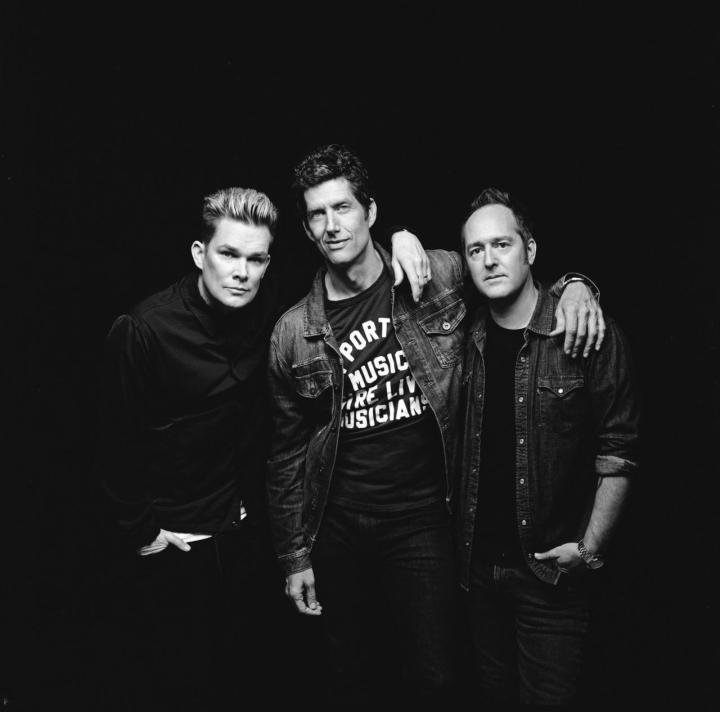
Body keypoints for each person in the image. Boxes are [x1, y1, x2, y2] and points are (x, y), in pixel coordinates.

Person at [265, 145, 603, 709]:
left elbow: (512, 270)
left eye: (342, 208)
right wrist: (295, 556)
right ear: (306, 229)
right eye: (317, 215)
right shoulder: (292, 332)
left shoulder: (438, 272)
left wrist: (575, 284)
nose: (332, 225)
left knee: (439, 675)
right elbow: (285, 453)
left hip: (422, 515)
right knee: (350, 672)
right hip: (339, 523)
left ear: (370, 212)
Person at [98, 186, 282, 711]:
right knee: (178, 688)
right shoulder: (144, 329)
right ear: (201, 254)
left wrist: (399, 240)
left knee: (247, 684)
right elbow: (112, 442)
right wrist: (143, 533)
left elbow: (344, 270)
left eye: (256, 259)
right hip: (174, 549)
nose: (241, 272)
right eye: (228, 254)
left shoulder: (264, 309)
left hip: (241, 537)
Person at [456, 188, 640, 707]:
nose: (489, 260)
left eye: (502, 244)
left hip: (549, 576)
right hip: (476, 577)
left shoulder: (584, 330)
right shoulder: (462, 338)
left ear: (530, 250)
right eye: (475, 250)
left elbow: (619, 448)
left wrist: (589, 549)